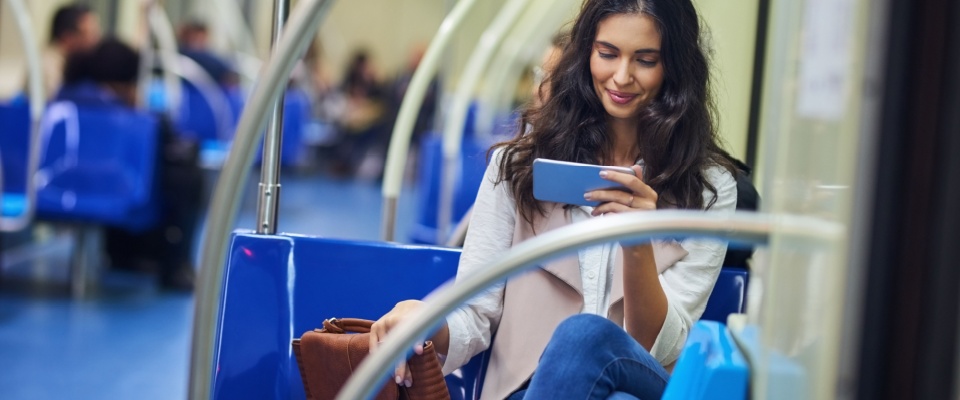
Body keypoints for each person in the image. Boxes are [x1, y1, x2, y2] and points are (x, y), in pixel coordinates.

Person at [370, 0, 739, 398]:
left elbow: (660, 347)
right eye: (608, 54)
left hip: (634, 391)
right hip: (526, 389)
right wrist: (426, 322)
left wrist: (638, 244)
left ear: (675, 68)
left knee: (585, 337)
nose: (621, 76)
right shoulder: (516, 167)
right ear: (586, 54)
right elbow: (476, 314)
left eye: (645, 60)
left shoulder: (707, 188)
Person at [57, 38, 203, 291]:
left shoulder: (63, 100)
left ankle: (123, 253)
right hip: (114, 189)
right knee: (184, 176)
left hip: (62, 185)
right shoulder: (133, 118)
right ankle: (173, 266)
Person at [39, 4, 102, 98]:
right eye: (91, 34)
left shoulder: (73, 64)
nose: (97, 40)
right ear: (67, 38)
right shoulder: (47, 68)